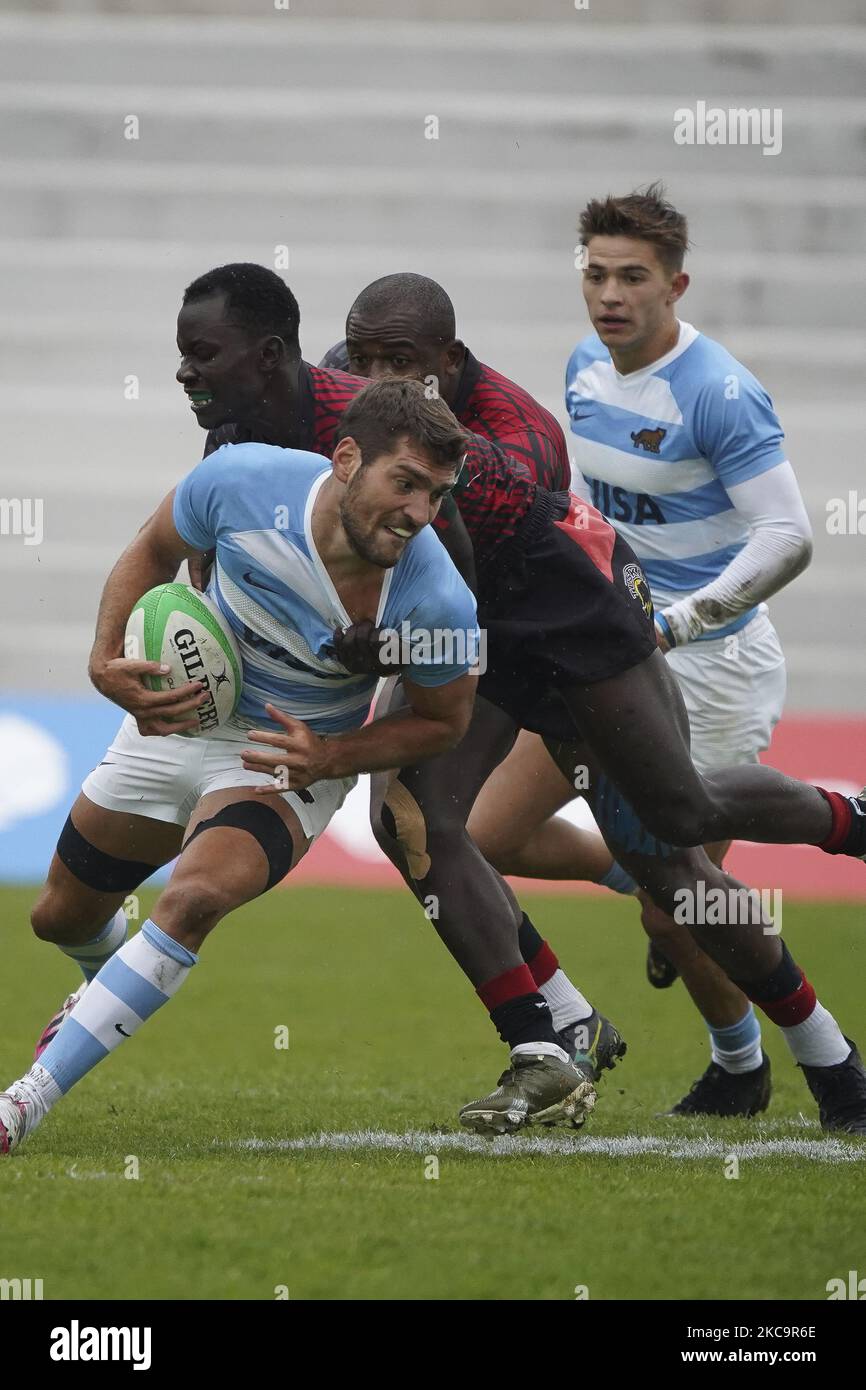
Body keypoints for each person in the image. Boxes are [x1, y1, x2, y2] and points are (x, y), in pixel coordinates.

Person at [2, 379, 591, 1155]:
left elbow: (444, 722)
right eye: (404, 483)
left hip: (285, 759)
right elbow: (152, 549)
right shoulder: (242, 482)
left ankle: (23, 1102)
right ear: (347, 459)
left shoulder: (436, 597)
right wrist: (105, 656)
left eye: (434, 494)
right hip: (178, 720)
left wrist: (334, 756)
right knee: (59, 918)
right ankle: (105, 977)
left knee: (195, 899)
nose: (418, 513)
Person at [468, 184, 818, 1118]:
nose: (609, 293)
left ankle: (744, 1065)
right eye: (595, 273)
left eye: (632, 277)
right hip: (611, 649)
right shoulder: (586, 366)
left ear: (676, 285)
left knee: (685, 909)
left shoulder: (719, 390)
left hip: (711, 664)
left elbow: (787, 536)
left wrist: (681, 619)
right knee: (482, 837)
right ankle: (633, 870)